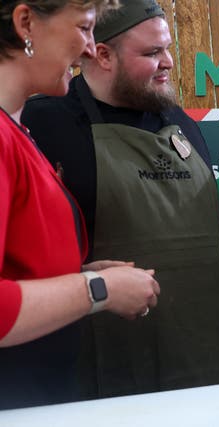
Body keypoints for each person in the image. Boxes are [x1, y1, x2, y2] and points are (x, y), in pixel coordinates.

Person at [21, 0, 219, 399]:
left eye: (168, 49)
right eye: (151, 53)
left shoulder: (183, 126)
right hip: (106, 370)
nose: (169, 63)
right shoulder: (46, 123)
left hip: (207, 360)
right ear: (102, 54)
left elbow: (216, 241)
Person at [0, 0, 161, 410]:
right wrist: (98, 289)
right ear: (25, 23)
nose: (91, 49)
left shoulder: (19, 131)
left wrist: (77, 272)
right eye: (85, 28)